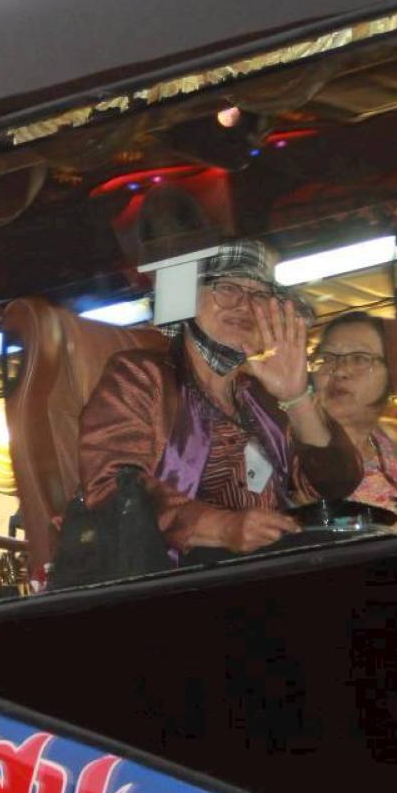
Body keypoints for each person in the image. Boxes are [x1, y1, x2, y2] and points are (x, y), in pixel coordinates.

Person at [76, 239, 361, 558]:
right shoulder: (142, 376)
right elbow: (112, 487)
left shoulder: (261, 395)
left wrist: (296, 398)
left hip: (274, 567)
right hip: (178, 577)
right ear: (186, 298)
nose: (244, 305)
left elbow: (336, 484)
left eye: (260, 295)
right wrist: (223, 528)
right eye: (227, 288)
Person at [310, 311, 397, 530]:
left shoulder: (395, 442)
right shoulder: (289, 454)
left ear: (393, 373)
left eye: (359, 359)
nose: (339, 371)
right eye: (327, 358)